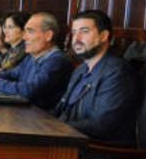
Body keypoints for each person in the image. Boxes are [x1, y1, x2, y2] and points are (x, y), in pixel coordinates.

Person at [54, 10, 138, 145]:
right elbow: (62, 109)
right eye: (74, 32)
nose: (76, 38)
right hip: (70, 141)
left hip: (97, 152)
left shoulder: (117, 72)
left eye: (84, 31)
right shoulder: (81, 69)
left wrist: (56, 126)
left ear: (104, 36)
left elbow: (101, 125)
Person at [0, 12, 73, 110]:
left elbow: (29, 91)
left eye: (30, 31)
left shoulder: (57, 61)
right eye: (25, 32)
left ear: (48, 35)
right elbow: (13, 74)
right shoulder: (31, 57)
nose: (24, 37)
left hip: (44, 121)